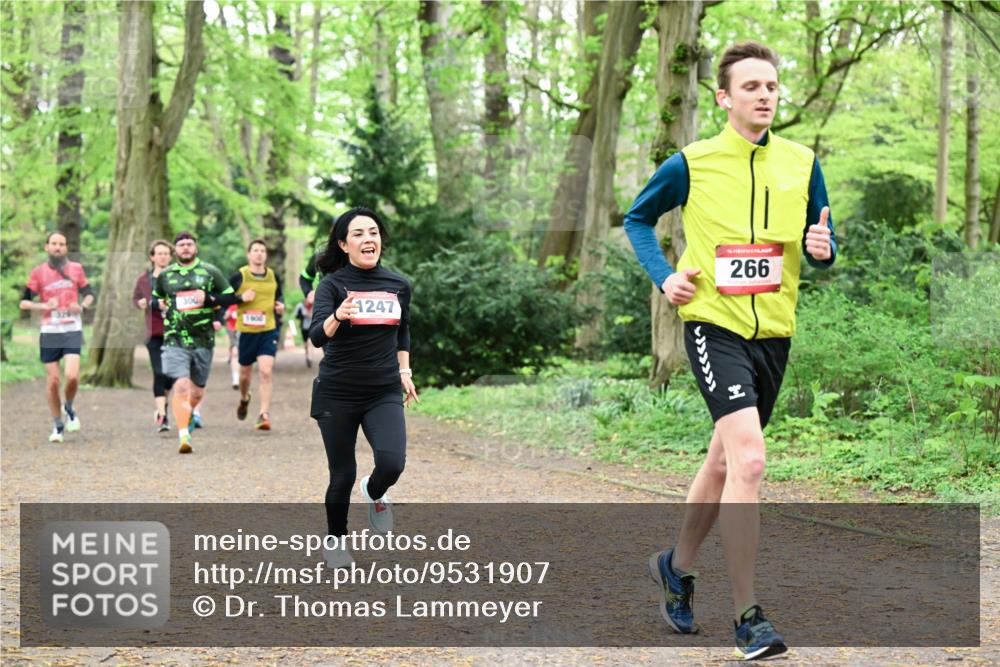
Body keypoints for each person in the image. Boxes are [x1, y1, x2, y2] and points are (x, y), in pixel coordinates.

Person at [624, 42, 836, 661]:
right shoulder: (692, 162)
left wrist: (824, 249)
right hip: (713, 325)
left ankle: (675, 568)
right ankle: (748, 617)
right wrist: (666, 276)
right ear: (724, 97)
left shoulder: (802, 162)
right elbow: (637, 219)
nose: (764, 95)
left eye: (771, 85)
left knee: (723, 461)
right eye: (751, 86)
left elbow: (821, 239)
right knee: (750, 460)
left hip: (774, 332)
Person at [309, 207, 418, 568]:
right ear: (343, 245)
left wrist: (405, 370)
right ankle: (336, 542)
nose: (368, 239)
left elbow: (402, 330)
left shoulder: (398, 285)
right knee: (342, 475)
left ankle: (374, 491)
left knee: (392, 463)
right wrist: (337, 316)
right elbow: (316, 337)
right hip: (337, 392)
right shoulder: (332, 285)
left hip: (382, 390)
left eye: (373, 232)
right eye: (358, 234)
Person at [153, 231, 252, 454]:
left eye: (189, 244)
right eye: (181, 245)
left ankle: (187, 414)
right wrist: (159, 305)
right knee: (181, 386)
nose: (185, 248)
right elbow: (156, 297)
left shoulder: (210, 272)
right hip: (175, 338)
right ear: (175, 250)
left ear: (195, 248)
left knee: (196, 392)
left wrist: (208, 299)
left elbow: (230, 297)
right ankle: (183, 436)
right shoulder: (166, 275)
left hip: (203, 339)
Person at [19, 232, 95, 443]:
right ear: (47, 247)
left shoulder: (76, 269)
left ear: (66, 248)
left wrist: (81, 306)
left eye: (62, 244)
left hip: (72, 329)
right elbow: (24, 303)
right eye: (54, 243)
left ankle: (68, 406)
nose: (58, 247)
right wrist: (44, 305)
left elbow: (89, 294)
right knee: (53, 380)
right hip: (50, 331)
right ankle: (57, 425)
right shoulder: (38, 272)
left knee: (72, 376)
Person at [231, 239, 285, 431]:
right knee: (244, 375)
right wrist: (240, 298)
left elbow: (279, 296)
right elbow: (224, 297)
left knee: (265, 371)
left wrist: (280, 306)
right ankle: (244, 398)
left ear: (266, 255)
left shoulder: (273, 276)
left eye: (262, 250)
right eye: (255, 250)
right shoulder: (239, 276)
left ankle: (263, 414)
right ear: (249, 254)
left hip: (268, 330)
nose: (259, 253)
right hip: (246, 332)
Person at [133, 239, 175, 433]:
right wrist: (141, 303)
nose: (163, 257)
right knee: (159, 372)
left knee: (171, 375)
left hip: (175, 333)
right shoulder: (144, 280)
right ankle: (163, 416)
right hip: (155, 333)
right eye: (159, 254)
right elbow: (136, 298)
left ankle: (162, 404)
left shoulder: (178, 277)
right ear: (152, 257)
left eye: (166, 254)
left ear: (170, 257)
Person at [292, 298, 314, 368]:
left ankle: (310, 357)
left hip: (312, 326)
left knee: (310, 342)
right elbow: (296, 316)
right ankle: (307, 355)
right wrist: (302, 314)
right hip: (304, 327)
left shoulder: (315, 305)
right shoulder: (300, 306)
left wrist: (311, 315)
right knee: (306, 343)